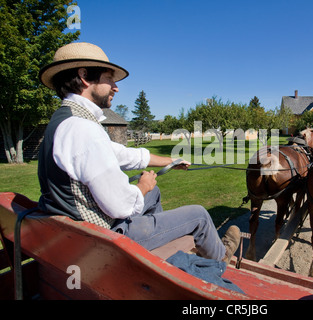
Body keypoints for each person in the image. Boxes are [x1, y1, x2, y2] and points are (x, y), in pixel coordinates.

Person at [37, 42, 240, 263]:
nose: (115, 87)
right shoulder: (83, 129)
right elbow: (120, 205)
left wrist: (170, 161)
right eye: (109, 78)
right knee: (199, 214)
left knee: (154, 194)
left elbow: (122, 154)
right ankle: (221, 259)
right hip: (104, 238)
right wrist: (142, 185)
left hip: (81, 229)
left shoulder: (66, 120)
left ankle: (159, 248)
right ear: (84, 76)